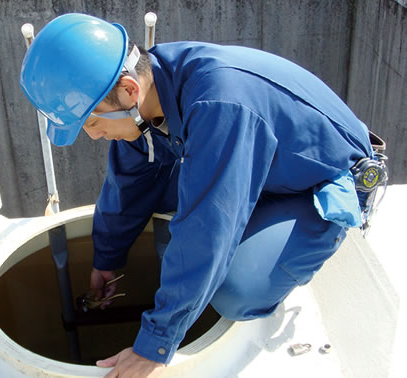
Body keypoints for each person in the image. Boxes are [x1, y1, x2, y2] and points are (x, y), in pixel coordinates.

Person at [20, 13, 384, 377]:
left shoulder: (218, 105)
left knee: (238, 289)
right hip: (267, 163)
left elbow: (207, 228)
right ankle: (187, 284)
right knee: (158, 193)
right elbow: (131, 180)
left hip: (322, 183)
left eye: (93, 123)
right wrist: (107, 258)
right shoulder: (155, 87)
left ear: (130, 90)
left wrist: (156, 343)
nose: (95, 136)